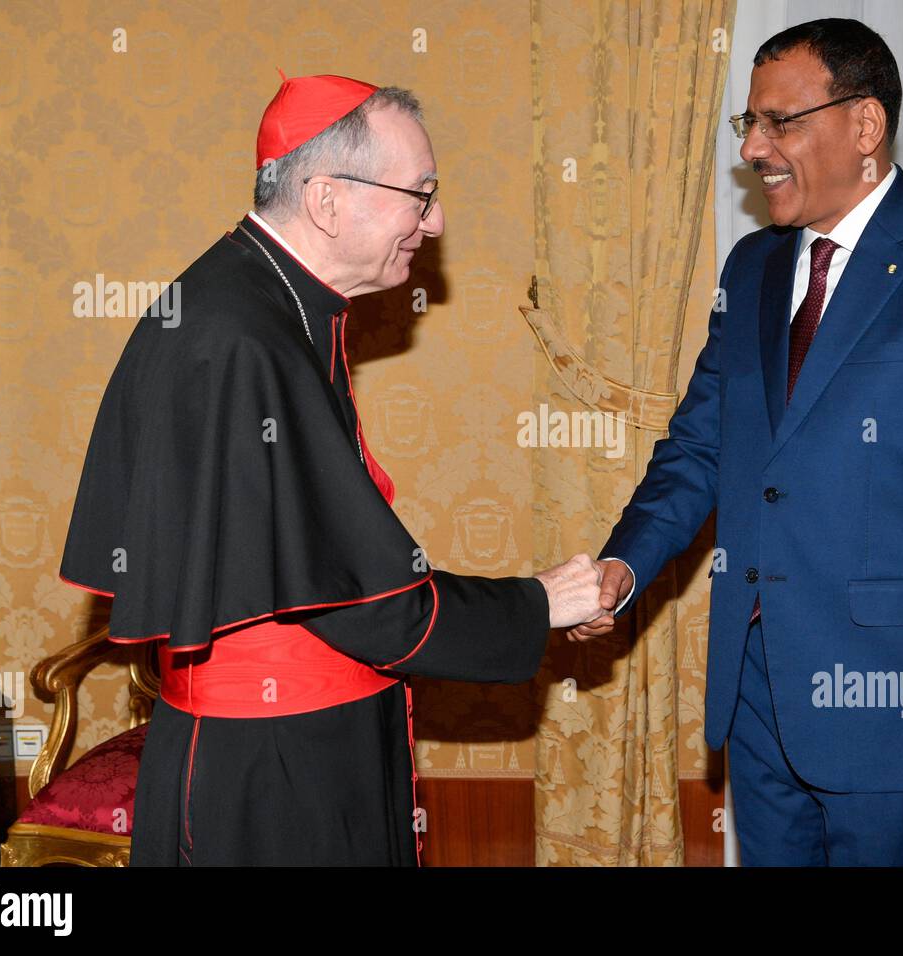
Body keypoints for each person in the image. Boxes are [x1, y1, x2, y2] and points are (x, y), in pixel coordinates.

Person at [60, 73, 605, 866]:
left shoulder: (259, 300)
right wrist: (532, 605)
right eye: (420, 194)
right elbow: (363, 602)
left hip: (298, 742)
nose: (436, 221)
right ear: (326, 201)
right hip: (275, 769)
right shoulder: (242, 336)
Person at [572, 19, 903, 865]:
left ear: (864, 126)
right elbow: (700, 448)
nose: (755, 147)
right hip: (757, 700)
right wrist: (626, 562)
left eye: (779, 122)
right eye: (748, 125)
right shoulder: (751, 269)